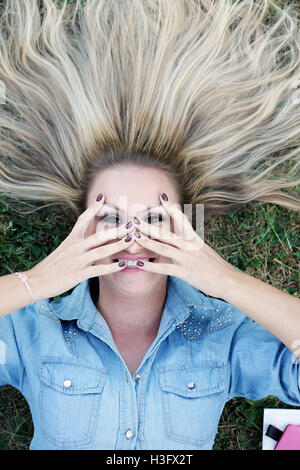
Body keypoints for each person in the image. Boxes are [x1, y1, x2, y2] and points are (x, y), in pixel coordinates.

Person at [0, 0, 299, 450]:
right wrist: (39, 280)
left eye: (155, 219)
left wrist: (226, 281)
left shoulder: (224, 335)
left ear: (186, 229)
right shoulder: (32, 332)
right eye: (110, 219)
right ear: (80, 229)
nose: (133, 239)